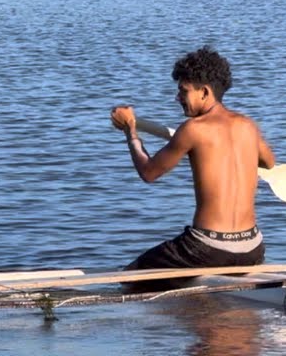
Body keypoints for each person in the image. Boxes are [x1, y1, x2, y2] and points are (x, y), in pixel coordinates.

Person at [110, 46, 274, 284]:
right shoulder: (248, 126)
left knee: (128, 278)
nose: (178, 98)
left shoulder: (193, 130)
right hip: (252, 248)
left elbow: (148, 172)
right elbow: (268, 163)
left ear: (205, 92)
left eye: (183, 91)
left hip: (207, 248)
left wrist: (130, 131)